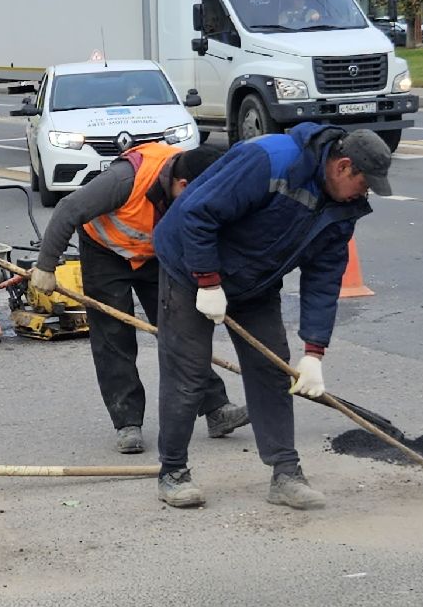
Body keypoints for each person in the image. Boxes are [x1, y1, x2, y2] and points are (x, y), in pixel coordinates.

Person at [149, 125, 392, 511]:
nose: (366, 193)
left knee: (270, 371)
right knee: (189, 374)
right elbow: (197, 213)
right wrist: (208, 282)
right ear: (343, 166)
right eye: (365, 182)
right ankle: (173, 472)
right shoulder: (271, 161)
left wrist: (314, 352)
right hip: (189, 266)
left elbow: (324, 279)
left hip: (255, 282)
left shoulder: (343, 209)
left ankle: (286, 473)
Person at [31, 142, 245, 455]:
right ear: (182, 185)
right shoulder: (126, 178)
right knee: (113, 336)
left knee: (183, 331)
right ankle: (127, 422)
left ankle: (216, 408)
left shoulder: (192, 182)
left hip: (156, 255)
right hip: (105, 252)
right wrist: (46, 266)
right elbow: (69, 209)